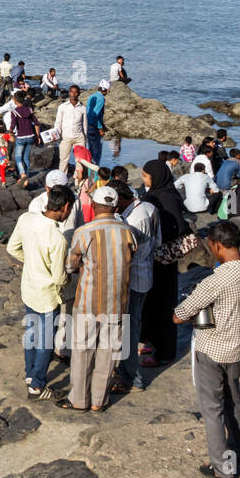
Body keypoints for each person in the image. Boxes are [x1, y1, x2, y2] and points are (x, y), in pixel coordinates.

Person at [173, 220, 240, 478]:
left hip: (210, 349)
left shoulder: (215, 280)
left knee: (212, 409)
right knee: (234, 400)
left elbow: (180, 315)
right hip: (237, 349)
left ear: (217, 245)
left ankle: (223, 468)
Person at [57, 186, 135, 413]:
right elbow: (133, 254)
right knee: (108, 352)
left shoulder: (84, 231)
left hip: (88, 302)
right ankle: (98, 400)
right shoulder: (126, 231)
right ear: (115, 206)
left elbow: (71, 265)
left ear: (94, 205)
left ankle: (79, 400)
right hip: (117, 302)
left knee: (82, 351)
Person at [7, 183, 74, 401]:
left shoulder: (26, 219)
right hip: (46, 295)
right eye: (70, 209)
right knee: (45, 342)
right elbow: (58, 277)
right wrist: (69, 278)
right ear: (65, 206)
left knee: (32, 333)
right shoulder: (57, 238)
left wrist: (32, 263)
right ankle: (36, 386)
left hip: (29, 287)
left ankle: (30, 374)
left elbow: (12, 248)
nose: (69, 213)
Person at [138, 159, 188, 368]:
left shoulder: (161, 198)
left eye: (145, 176)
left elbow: (172, 228)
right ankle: (152, 343)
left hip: (161, 259)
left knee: (161, 304)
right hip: (162, 260)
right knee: (154, 303)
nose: (143, 180)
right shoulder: (168, 194)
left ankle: (163, 351)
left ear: (155, 177)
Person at [112, 182, 157, 395]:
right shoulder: (149, 208)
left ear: (121, 199)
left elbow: (127, 253)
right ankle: (128, 371)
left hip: (135, 277)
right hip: (146, 273)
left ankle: (133, 379)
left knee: (129, 329)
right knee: (133, 325)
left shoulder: (133, 220)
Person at [7, 92, 41, 187]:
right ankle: (26, 176)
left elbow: (13, 126)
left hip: (21, 137)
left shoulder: (14, 112)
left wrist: (10, 132)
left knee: (18, 157)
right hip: (31, 136)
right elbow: (37, 123)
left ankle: (22, 175)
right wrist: (38, 136)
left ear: (15, 100)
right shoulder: (29, 110)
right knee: (26, 157)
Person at [54, 85, 87, 177]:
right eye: (72, 91)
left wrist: (85, 138)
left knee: (80, 160)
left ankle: (77, 178)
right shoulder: (62, 107)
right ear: (69, 93)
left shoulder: (83, 108)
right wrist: (57, 134)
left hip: (79, 137)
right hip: (65, 137)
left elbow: (85, 125)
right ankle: (61, 178)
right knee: (64, 159)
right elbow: (58, 122)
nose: (73, 94)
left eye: (76, 92)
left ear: (79, 94)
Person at [85, 81, 108, 165]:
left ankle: (89, 169)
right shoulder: (101, 98)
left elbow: (90, 112)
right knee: (96, 151)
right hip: (94, 127)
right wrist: (100, 128)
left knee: (90, 149)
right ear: (107, 90)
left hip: (88, 125)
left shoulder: (92, 96)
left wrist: (102, 124)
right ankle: (94, 172)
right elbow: (95, 114)